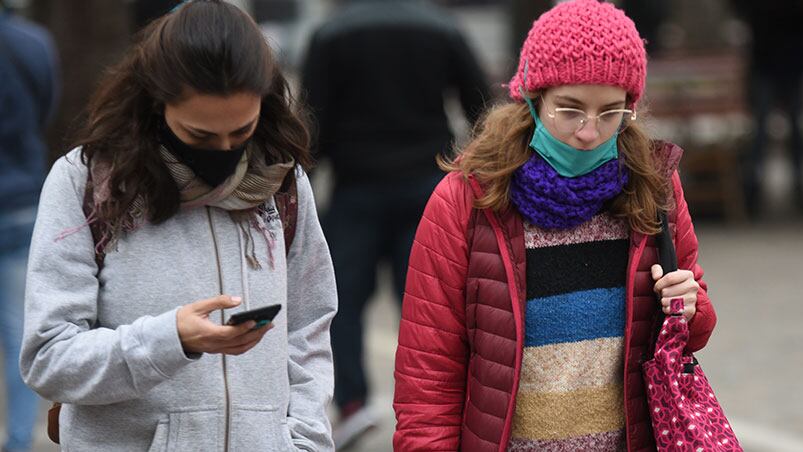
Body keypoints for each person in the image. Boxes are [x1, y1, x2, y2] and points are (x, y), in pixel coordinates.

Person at [393, 1, 718, 450]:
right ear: (532, 99)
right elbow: (427, 377)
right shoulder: (466, 200)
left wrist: (690, 305)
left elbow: (691, 331)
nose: (589, 132)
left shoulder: (656, 188)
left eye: (611, 113)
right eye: (569, 109)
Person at [19, 1, 337, 450]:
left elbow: (308, 326)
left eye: (241, 131)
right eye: (200, 136)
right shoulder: (88, 183)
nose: (224, 150)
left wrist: (305, 440)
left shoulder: (280, 179)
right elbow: (48, 358)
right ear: (155, 103)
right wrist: (170, 340)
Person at [301, 0, 489, 448]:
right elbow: (480, 104)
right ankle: (440, 407)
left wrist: (300, 186)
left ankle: (351, 404)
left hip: (355, 184)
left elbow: (311, 122)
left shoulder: (331, 34)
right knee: (432, 307)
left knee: (341, 302)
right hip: (429, 185)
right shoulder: (443, 26)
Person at [0, 2, 59, 451]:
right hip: (20, 198)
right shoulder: (34, 42)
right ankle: (19, 442)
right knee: (21, 333)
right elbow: (47, 107)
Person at [731, 0, 803, 215]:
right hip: (773, 61)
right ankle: (753, 189)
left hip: (780, 61)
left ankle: (754, 190)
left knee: (775, 132)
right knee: (763, 134)